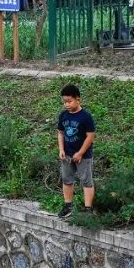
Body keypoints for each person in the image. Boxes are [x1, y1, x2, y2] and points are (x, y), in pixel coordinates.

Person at [56, 84, 96, 221]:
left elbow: (90, 136)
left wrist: (80, 153)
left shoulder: (86, 117)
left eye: (69, 101)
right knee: (67, 180)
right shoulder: (63, 115)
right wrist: (61, 149)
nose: (67, 104)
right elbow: (60, 133)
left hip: (83, 156)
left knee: (86, 181)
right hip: (67, 154)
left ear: (78, 100)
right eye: (64, 102)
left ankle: (88, 209)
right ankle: (68, 206)